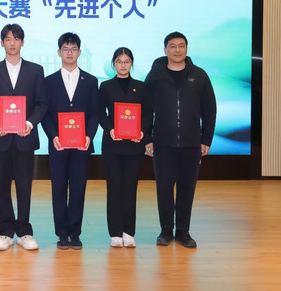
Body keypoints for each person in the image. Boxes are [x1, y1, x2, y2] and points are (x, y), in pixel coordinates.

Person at [145, 32, 217, 249]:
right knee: (164, 188)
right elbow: (145, 110)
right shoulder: (155, 76)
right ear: (165, 49)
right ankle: (166, 231)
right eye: (173, 46)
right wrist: (147, 137)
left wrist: (206, 139)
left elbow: (210, 110)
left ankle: (183, 232)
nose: (177, 50)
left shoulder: (199, 76)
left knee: (187, 189)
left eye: (181, 46)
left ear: (186, 48)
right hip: (162, 143)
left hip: (191, 144)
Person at [0, 23, 47, 251]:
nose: (12, 43)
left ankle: (25, 231)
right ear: (2, 43)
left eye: (16, 38)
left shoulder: (36, 70)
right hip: (0, 137)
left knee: (24, 186)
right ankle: (5, 232)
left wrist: (29, 123)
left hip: (25, 137)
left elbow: (42, 103)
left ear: (22, 42)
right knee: (1, 185)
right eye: (8, 39)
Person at [41, 33, 99, 250]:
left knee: (78, 188)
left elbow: (95, 113)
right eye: (65, 49)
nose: (69, 53)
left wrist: (88, 136)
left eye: (73, 49)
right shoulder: (48, 81)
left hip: (82, 145)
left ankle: (75, 232)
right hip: (58, 144)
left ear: (79, 52)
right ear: (59, 52)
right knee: (58, 188)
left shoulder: (91, 81)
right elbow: (45, 114)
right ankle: (62, 233)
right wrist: (53, 136)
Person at [99, 47, 152, 248]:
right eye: (119, 61)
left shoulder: (141, 87)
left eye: (127, 61)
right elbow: (100, 113)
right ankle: (114, 232)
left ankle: (128, 232)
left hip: (134, 145)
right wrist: (110, 129)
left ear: (132, 63)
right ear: (113, 64)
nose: (123, 65)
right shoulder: (105, 86)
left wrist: (142, 132)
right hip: (113, 144)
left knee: (130, 187)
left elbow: (148, 113)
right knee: (114, 188)